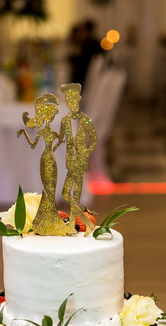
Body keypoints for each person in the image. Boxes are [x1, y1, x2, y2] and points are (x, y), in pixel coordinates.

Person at [17, 93, 68, 236]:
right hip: (47, 158)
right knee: (48, 188)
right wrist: (24, 132)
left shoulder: (47, 132)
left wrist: (59, 141)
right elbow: (34, 145)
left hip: (48, 158)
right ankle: (46, 219)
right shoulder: (46, 132)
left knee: (51, 188)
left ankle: (50, 218)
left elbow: (60, 140)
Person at [54, 83, 97, 234]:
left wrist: (85, 153)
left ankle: (77, 223)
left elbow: (93, 141)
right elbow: (61, 138)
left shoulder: (85, 120)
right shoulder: (66, 119)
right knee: (66, 193)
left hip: (78, 161)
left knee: (76, 194)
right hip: (69, 160)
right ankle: (81, 221)